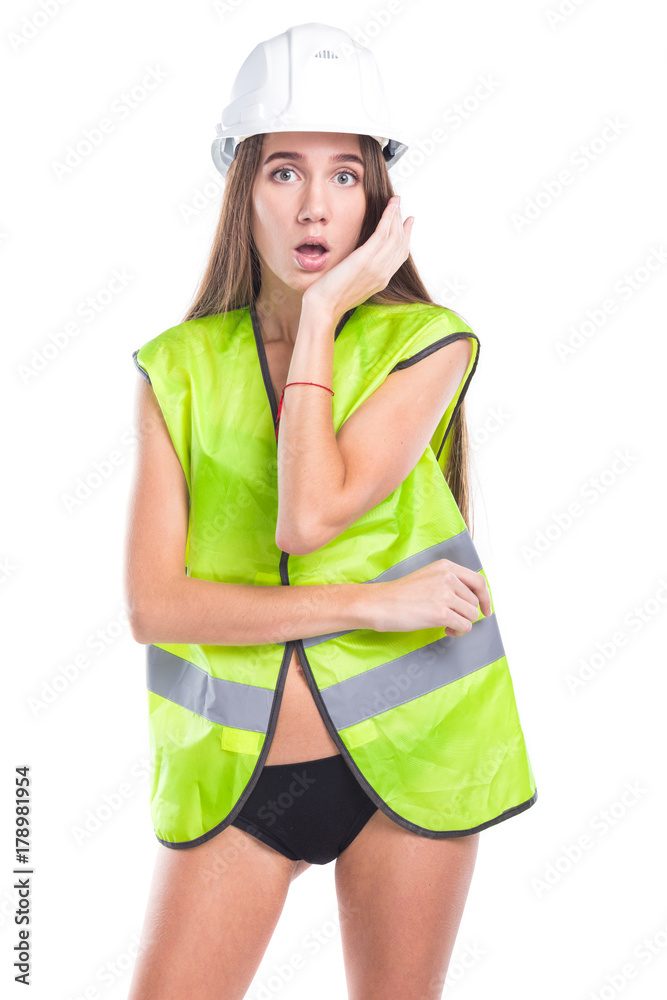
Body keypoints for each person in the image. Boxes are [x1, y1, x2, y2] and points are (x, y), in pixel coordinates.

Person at [124, 22, 537, 1000]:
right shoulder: (177, 368)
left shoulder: (426, 342)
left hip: (421, 752)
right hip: (237, 771)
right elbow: (155, 608)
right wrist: (370, 603)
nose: (315, 204)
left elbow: (307, 516)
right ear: (243, 190)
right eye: (284, 173)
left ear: (374, 198)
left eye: (344, 175)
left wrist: (320, 314)